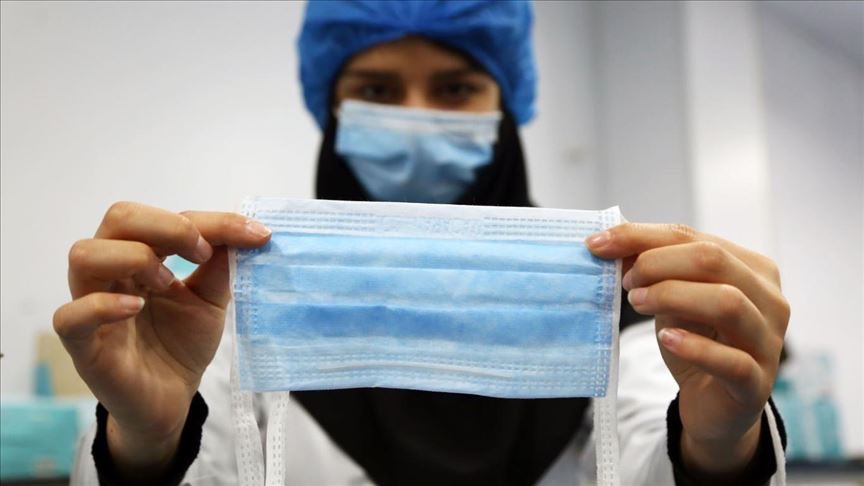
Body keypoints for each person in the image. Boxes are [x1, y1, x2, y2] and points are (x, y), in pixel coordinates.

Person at [55, 1, 790, 485]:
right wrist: (146, 443)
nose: (414, 118)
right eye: (376, 91)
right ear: (331, 108)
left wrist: (720, 448)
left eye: (456, 88)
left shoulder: (614, 317)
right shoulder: (235, 322)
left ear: (505, 108)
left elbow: (659, 451)